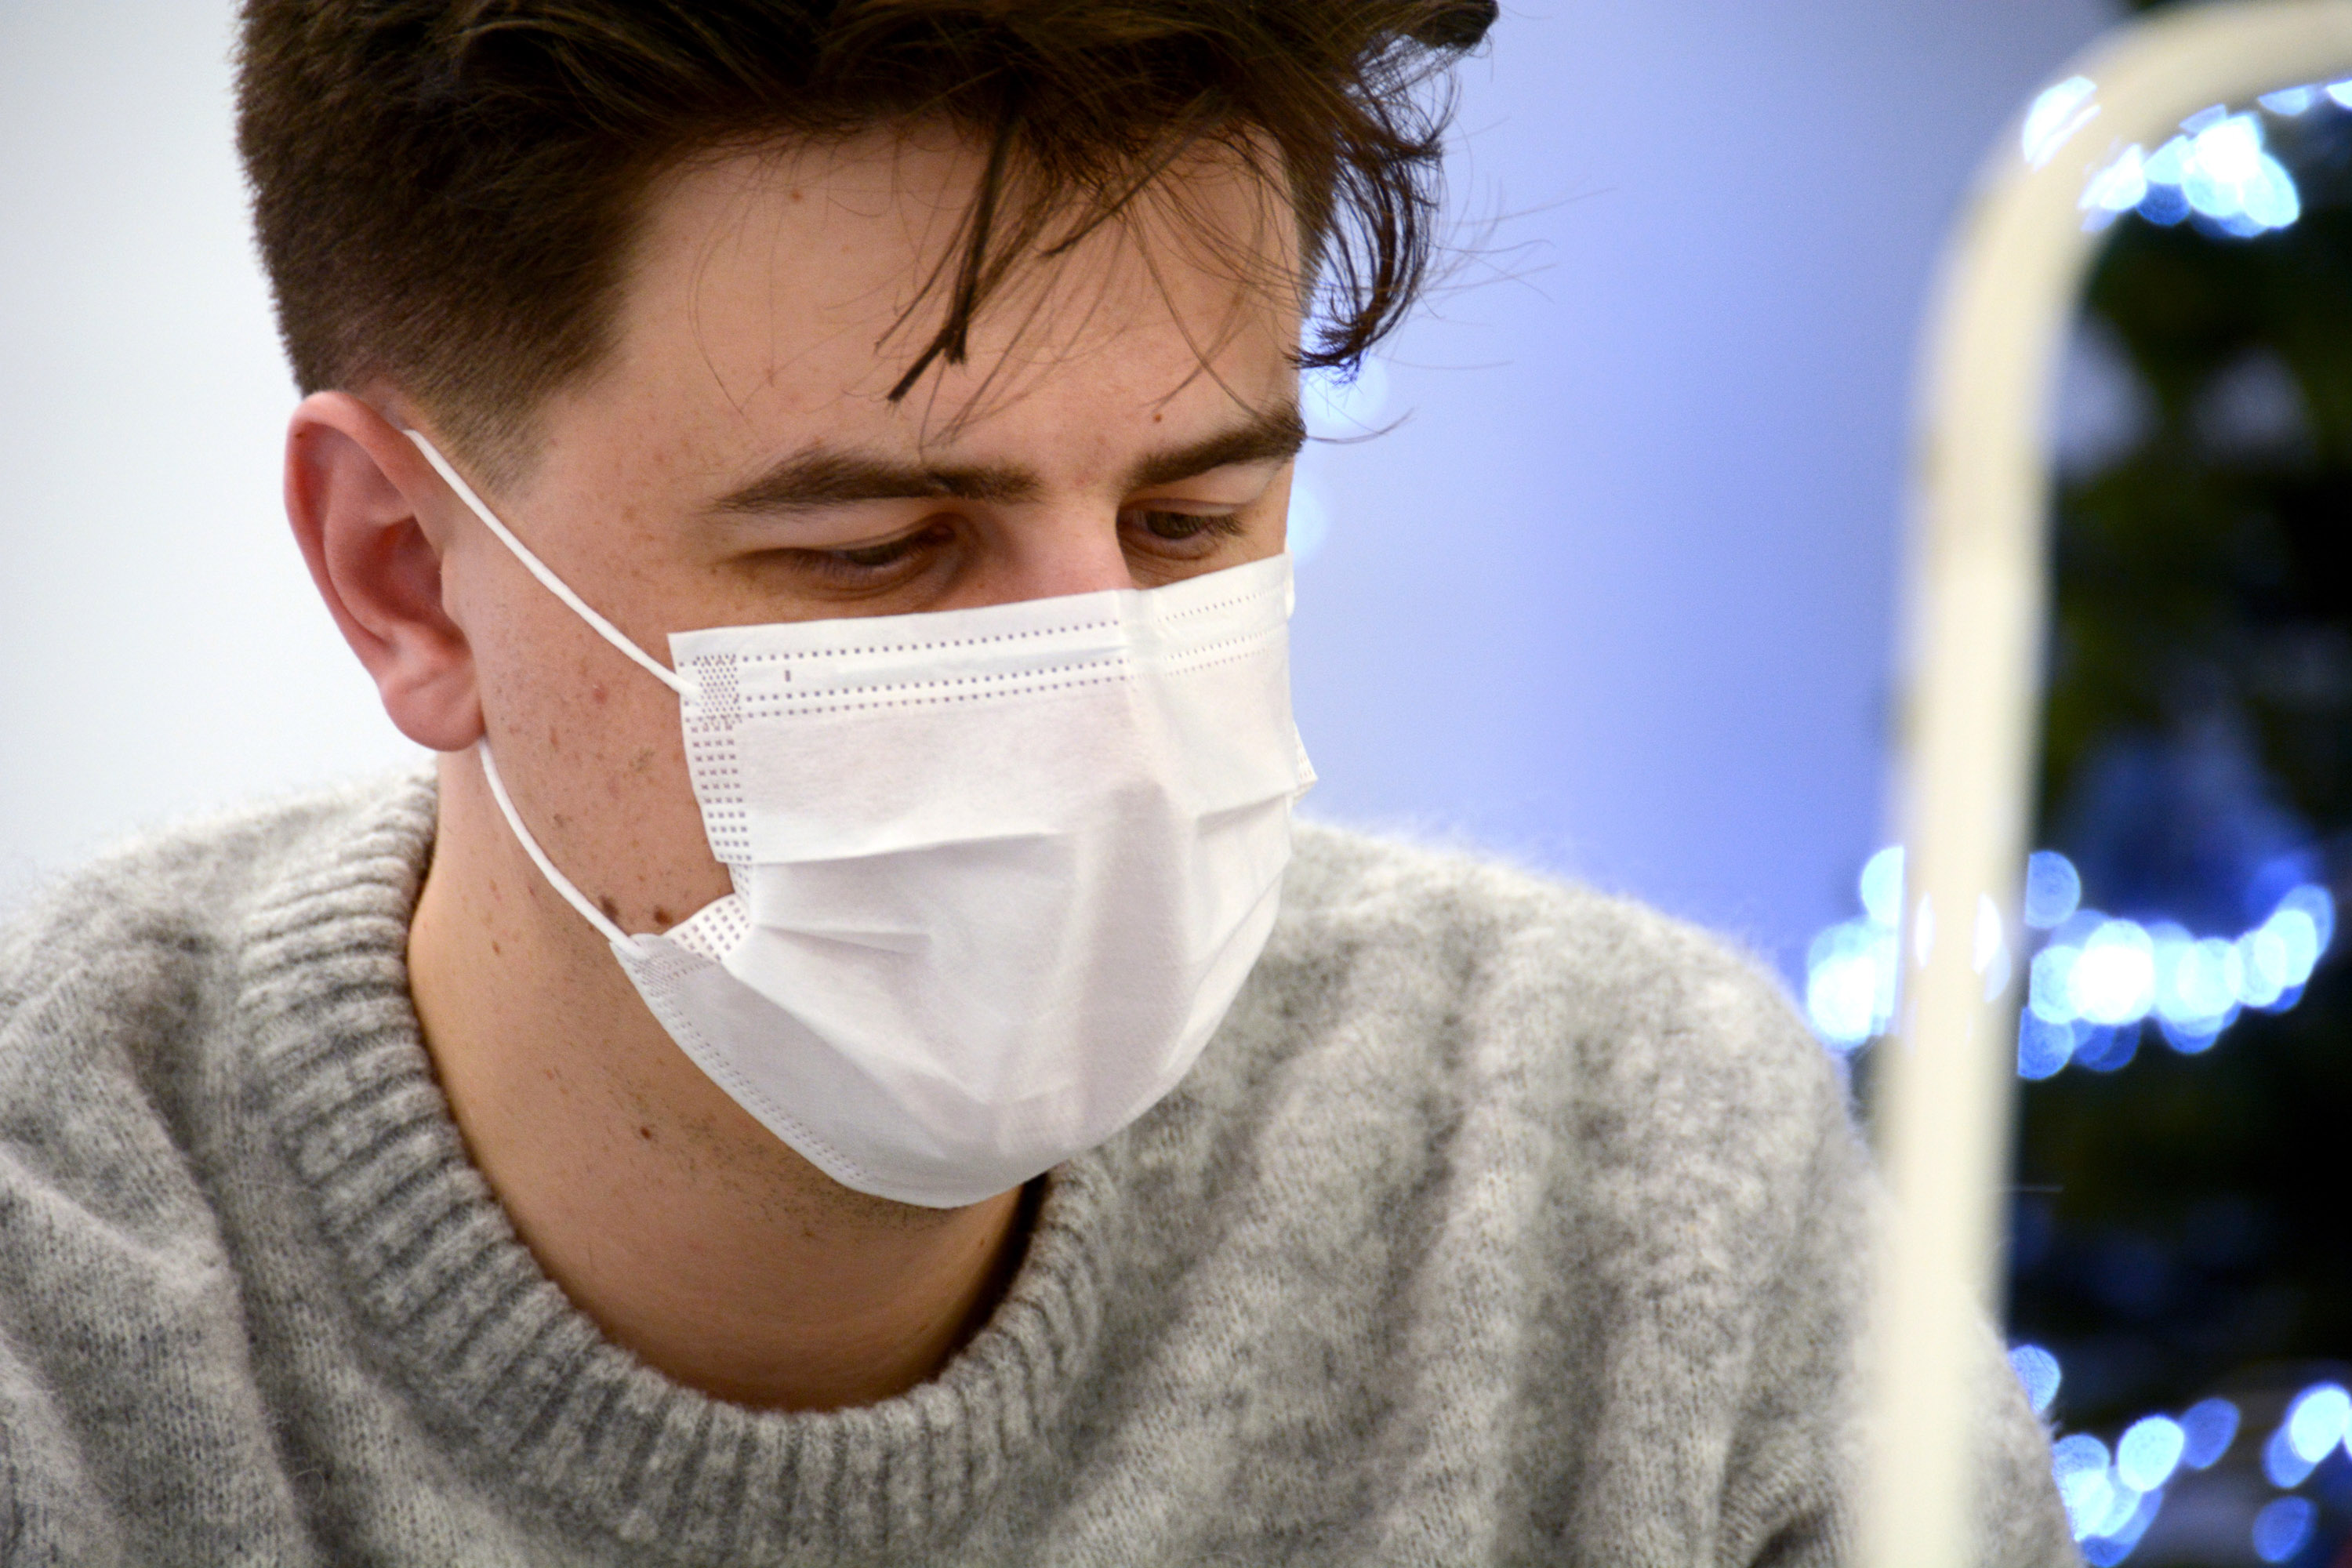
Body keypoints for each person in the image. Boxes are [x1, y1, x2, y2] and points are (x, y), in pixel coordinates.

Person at [0, 2, 2074, 1563]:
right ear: (405, 573)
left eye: (1190, 523)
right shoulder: (66, 1315)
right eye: (881, 551)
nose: (1108, 729)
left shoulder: (1635, 1172)